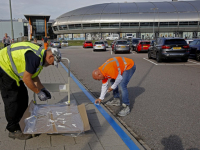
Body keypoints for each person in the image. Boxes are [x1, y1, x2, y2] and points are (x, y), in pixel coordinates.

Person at [0, 42, 61, 140]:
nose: (52, 65)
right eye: (53, 63)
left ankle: (22, 122)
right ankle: (13, 130)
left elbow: (34, 76)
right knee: (12, 99)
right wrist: (38, 92)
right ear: (50, 57)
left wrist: (43, 89)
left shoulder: (40, 58)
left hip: (11, 71)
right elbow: (27, 79)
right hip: (3, 67)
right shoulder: (35, 57)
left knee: (23, 96)